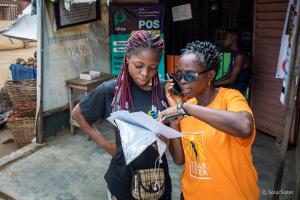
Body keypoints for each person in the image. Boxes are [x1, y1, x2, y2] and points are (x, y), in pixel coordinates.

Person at [72, 30, 172, 200]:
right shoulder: (111, 91)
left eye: (152, 67)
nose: (145, 74)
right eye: (138, 65)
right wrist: (105, 144)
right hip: (122, 180)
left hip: (158, 179)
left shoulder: (165, 91)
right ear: (127, 58)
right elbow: (78, 113)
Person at [160, 41, 259, 200]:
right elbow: (180, 159)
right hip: (191, 195)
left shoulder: (230, 98)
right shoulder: (187, 107)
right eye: (179, 74)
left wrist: (185, 107)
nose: (182, 81)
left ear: (210, 75)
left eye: (189, 75)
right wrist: (171, 128)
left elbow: (245, 126)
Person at [214, 29, 251, 94]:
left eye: (226, 37)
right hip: (231, 88)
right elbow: (228, 75)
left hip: (236, 91)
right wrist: (214, 82)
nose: (224, 40)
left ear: (234, 37)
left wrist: (213, 84)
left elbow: (232, 80)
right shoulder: (234, 53)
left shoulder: (240, 56)